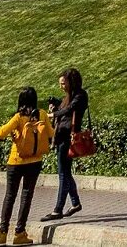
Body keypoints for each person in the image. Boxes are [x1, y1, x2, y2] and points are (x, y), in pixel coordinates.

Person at [0, 85, 53, 246]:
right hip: (35, 161)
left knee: (10, 196)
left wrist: (14, 133)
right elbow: (50, 133)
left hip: (15, 161)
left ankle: (2, 233)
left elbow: (0, 134)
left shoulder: (19, 117)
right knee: (26, 196)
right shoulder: (41, 114)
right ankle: (20, 232)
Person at [42, 67, 89, 223]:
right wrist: (55, 104)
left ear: (71, 82)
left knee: (63, 173)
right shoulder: (69, 96)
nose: (61, 86)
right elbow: (65, 108)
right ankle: (75, 203)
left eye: (63, 83)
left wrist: (53, 114)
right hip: (61, 136)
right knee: (65, 172)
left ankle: (58, 209)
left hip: (69, 137)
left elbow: (70, 109)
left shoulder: (81, 96)